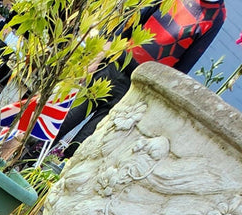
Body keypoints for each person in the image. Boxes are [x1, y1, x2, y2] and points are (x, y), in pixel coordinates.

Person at [55, 0, 226, 155]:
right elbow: (133, 20)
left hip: (136, 88)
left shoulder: (217, 16)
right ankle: (27, 159)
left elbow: (185, 65)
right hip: (113, 66)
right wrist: (98, 58)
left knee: (84, 145)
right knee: (63, 120)